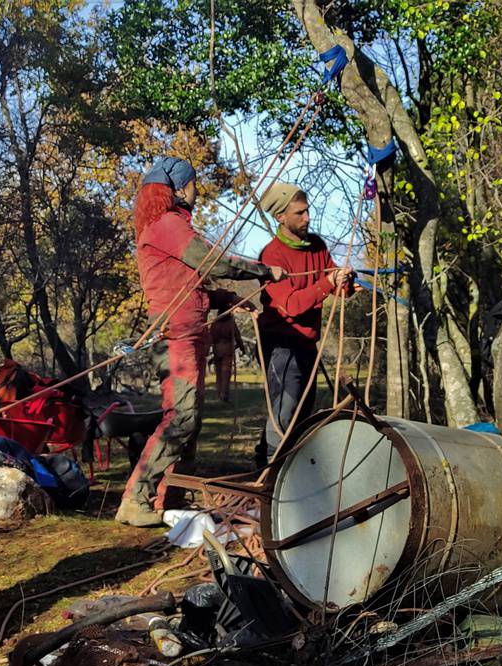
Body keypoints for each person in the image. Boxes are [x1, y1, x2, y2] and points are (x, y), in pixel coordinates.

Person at [121, 157, 285, 527]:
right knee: (181, 417)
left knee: (189, 420)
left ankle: (168, 497)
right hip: (176, 338)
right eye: (194, 184)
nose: (198, 191)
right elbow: (212, 262)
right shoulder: (167, 225)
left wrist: (225, 300)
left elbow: (184, 287)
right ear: (178, 189)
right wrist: (264, 271)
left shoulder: (170, 227)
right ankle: (136, 498)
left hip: (188, 334)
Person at [254, 181, 353, 469]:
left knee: (301, 413)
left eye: (307, 211)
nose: (307, 218)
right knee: (284, 414)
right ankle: (270, 478)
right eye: (299, 213)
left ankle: (270, 469)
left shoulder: (317, 245)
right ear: (280, 217)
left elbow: (331, 278)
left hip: (307, 343)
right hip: (281, 344)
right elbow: (292, 305)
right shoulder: (270, 256)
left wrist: (344, 282)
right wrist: (327, 283)